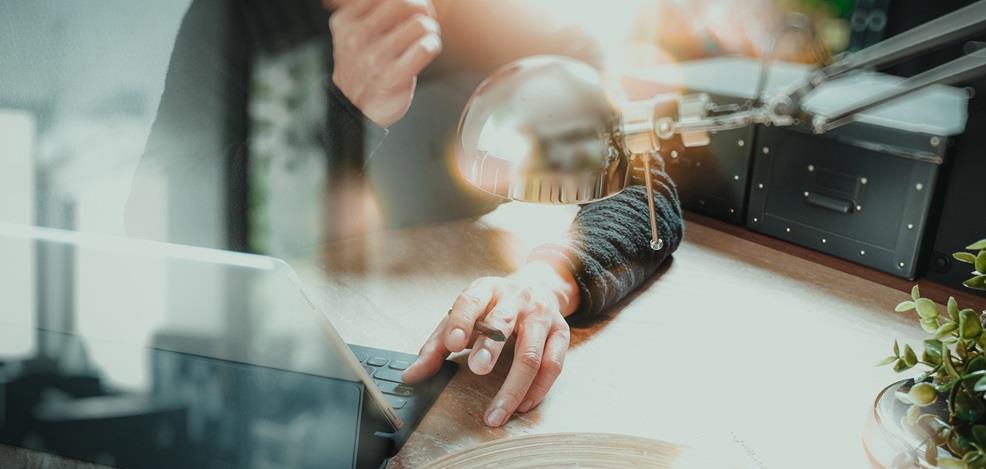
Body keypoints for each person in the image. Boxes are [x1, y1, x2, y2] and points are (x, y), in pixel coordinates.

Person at [131, 0, 683, 428]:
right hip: (277, 359)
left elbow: (643, 185)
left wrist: (548, 279)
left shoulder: (518, 19)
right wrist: (346, 108)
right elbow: (158, 219)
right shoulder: (242, 14)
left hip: (447, 356)